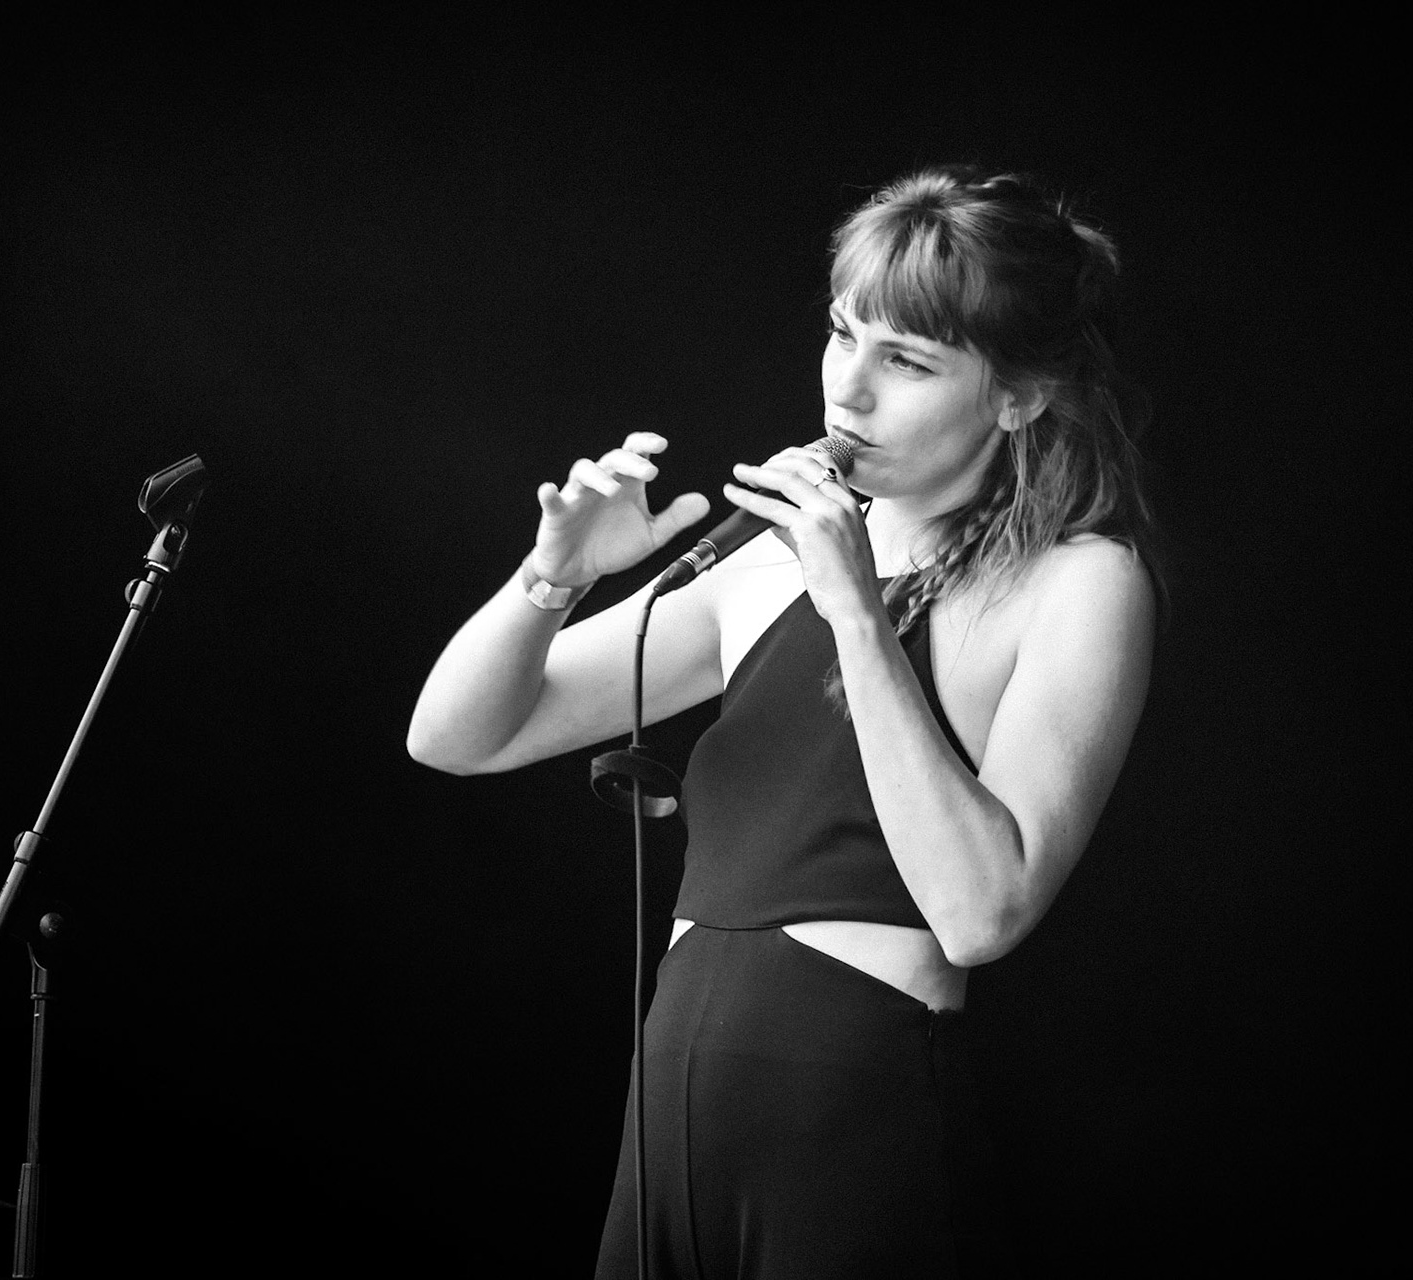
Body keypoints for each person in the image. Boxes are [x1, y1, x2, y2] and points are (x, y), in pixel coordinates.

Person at [407, 165, 1158, 1278]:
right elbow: (456, 734)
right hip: (670, 1120)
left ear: (1020, 393)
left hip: (849, 1118)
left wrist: (856, 607)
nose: (847, 392)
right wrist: (550, 577)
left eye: (905, 360)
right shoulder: (762, 565)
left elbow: (982, 911)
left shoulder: (1079, 581)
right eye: (843, 334)